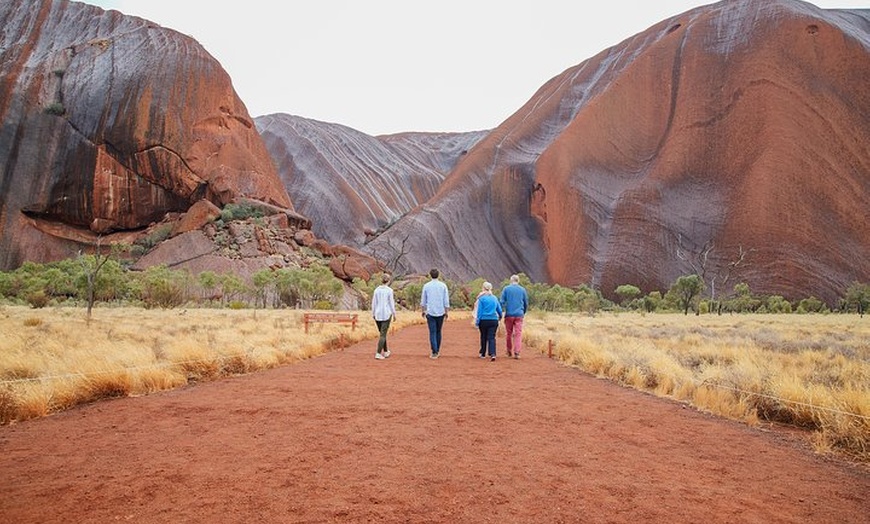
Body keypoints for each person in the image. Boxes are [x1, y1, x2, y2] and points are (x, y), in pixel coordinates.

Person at [420, 268, 450, 359]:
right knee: (438, 331)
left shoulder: (426, 286)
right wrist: (446, 311)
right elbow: (446, 300)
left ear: (430, 275)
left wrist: (423, 310)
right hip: (440, 311)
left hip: (430, 312)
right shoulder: (443, 286)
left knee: (432, 332)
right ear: (438, 275)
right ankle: (437, 350)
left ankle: (434, 351)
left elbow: (423, 300)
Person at [500, 274, 529, 359]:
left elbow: (501, 301)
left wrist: (501, 310)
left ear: (511, 280)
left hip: (509, 314)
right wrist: (523, 312)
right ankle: (517, 352)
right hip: (519, 315)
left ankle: (509, 351)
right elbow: (526, 302)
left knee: (509, 333)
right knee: (518, 334)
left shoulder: (506, 289)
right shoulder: (522, 290)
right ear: (518, 281)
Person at [371, 274, 396, 360]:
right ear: (388, 281)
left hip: (377, 314)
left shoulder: (376, 290)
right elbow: (391, 303)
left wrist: (373, 313)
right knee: (383, 334)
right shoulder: (389, 290)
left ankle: (386, 351)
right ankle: (378, 353)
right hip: (386, 314)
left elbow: (374, 303)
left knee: (382, 334)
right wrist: (394, 314)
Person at [475, 282, 503, 361]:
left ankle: (483, 353)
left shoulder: (481, 299)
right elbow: (499, 309)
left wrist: (477, 322)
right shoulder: (494, 298)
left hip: (483, 320)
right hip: (493, 320)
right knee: (491, 337)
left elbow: (479, 312)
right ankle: (493, 353)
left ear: (483, 288)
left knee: (483, 336)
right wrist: (500, 316)